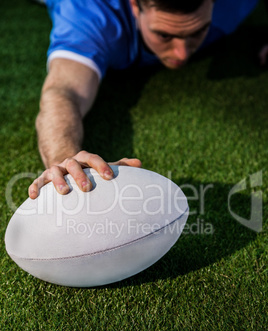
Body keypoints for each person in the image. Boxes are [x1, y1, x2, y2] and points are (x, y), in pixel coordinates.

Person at [28, 0, 267, 199]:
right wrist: (65, 160)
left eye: (198, 31)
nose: (181, 53)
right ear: (134, 6)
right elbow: (63, 92)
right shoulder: (92, 13)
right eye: (164, 35)